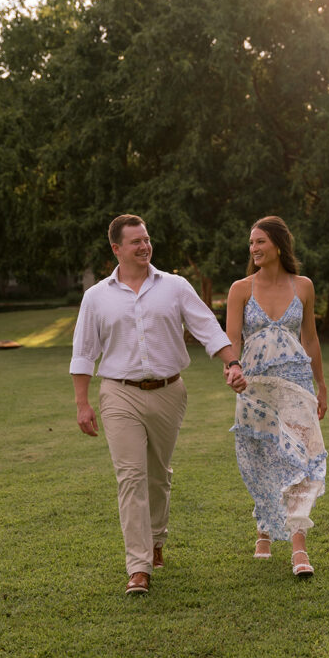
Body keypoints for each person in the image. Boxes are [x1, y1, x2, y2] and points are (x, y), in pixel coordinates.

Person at [70, 214, 246, 596]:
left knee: (157, 474)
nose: (144, 246)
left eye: (146, 239)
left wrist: (232, 363)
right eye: (135, 242)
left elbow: (207, 328)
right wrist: (83, 403)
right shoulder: (96, 297)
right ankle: (139, 566)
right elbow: (83, 352)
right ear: (116, 249)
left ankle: (157, 536)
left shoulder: (175, 286)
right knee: (130, 476)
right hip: (119, 393)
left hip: (169, 391)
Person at [226, 216, 327, 578]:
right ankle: (264, 527)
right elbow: (232, 341)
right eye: (251, 243)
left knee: (300, 459)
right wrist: (232, 368)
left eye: (260, 242)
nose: (253, 249)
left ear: (279, 246)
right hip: (256, 387)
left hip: (297, 385)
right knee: (264, 456)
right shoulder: (240, 289)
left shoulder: (303, 286)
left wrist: (321, 385)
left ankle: (299, 547)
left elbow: (311, 339)